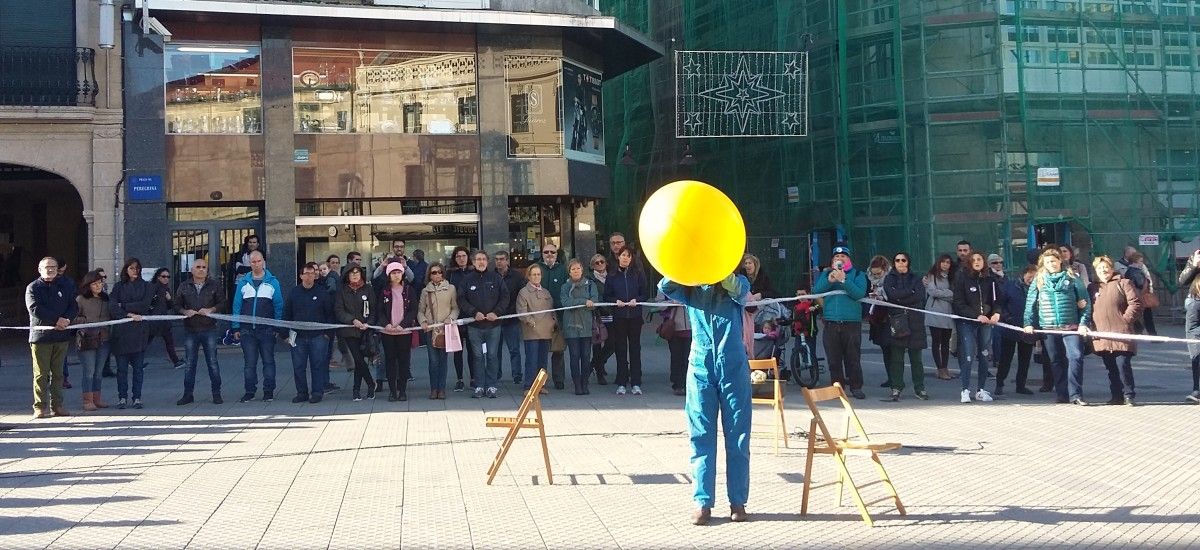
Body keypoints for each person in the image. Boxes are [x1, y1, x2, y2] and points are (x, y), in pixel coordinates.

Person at [659, 272, 753, 526]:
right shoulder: (691, 286)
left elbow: (740, 292)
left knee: (738, 435)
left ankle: (738, 501)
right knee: (701, 435)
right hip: (701, 366)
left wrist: (721, 270)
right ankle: (702, 502)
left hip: (733, 365)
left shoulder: (737, 281)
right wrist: (685, 266)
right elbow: (666, 285)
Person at [1023, 248, 1091, 405]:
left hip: (1071, 326)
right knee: (1056, 360)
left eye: (1053, 261)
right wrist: (1028, 323)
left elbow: (1085, 302)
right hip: (1049, 327)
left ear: (1060, 261)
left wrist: (1083, 323)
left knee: (1075, 357)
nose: (1051, 264)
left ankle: (1076, 394)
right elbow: (1030, 303)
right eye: (1047, 262)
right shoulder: (1039, 279)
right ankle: (1062, 394)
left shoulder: (1072, 277)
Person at [813, 244, 868, 399]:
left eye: (843, 256)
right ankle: (837, 388)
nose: (839, 259)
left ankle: (856, 387)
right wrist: (829, 280)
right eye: (836, 257)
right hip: (831, 322)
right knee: (834, 359)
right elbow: (816, 291)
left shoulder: (858, 274)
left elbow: (858, 294)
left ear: (848, 259)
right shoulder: (826, 275)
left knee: (853, 358)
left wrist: (844, 280)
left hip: (851, 323)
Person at [27, 256, 79, 418]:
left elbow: (73, 305)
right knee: (41, 374)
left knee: (58, 374)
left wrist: (67, 320)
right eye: (46, 267)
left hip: (61, 336)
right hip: (41, 338)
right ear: (39, 269)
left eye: (53, 267)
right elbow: (35, 308)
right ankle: (40, 407)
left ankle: (57, 405)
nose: (50, 270)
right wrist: (56, 320)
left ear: (58, 270)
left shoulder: (66, 285)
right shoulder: (33, 288)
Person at [231, 250, 284, 403]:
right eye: (253, 262)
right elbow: (237, 305)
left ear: (263, 262)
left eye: (258, 261)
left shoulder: (273, 282)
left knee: (268, 361)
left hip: (267, 330)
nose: (256, 264)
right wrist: (235, 327)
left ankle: (268, 391)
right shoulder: (243, 282)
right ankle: (250, 391)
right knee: (249, 363)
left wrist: (277, 326)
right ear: (249, 263)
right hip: (247, 330)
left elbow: (278, 305)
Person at [1089, 256, 1142, 406]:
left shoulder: (1124, 283)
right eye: (1100, 268)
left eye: (1106, 267)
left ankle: (1129, 395)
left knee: (1123, 365)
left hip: (1122, 333)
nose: (1103, 270)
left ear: (1112, 268)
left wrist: (1125, 320)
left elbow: (1136, 304)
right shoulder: (1092, 287)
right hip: (1102, 335)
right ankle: (1116, 396)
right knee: (1111, 368)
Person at [458, 250, 510, 399]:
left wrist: (497, 312)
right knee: (477, 356)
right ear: (473, 262)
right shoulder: (467, 280)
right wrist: (473, 312)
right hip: (475, 326)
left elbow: (505, 297)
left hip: (493, 326)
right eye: (478, 259)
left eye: (483, 259)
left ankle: (492, 386)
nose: (481, 262)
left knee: (493, 356)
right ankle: (479, 385)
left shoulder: (496, 278)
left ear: (488, 262)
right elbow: (461, 299)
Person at [175, 258, 226, 405]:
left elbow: (222, 302)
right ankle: (188, 395)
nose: (201, 269)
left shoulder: (214, 285)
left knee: (213, 363)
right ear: (192, 269)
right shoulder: (184, 286)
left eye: (204, 267)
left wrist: (211, 310)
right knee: (190, 364)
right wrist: (185, 311)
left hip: (209, 329)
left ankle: (217, 394)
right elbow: (176, 304)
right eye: (198, 267)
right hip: (190, 329)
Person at [953, 251, 1001, 404]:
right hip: (967, 322)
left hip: (986, 323)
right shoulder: (962, 278)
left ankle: (980, 390)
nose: (977, 261)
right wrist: (976, 316)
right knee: (968, 355)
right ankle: (965, 390)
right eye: (973, 259)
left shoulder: (991, 280)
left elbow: (997, 301)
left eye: (980, 259)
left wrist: (996, 314)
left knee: (984, 354)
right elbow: (958, 303)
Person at [285, 262, 335, 404]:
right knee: (298, 366)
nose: (309, 276)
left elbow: (330, 314)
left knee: (318, 365)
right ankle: (302, 393)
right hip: (298, 337)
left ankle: (317, 393)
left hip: (318, 336)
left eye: (312, 273)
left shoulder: (322, 292)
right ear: (301, 276)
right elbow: (286, 313)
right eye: (306, 273)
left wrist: (327, 334)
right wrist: (284, 335)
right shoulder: (294, 292)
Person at [604, 246, 650, 395]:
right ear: (618, 257)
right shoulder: (611, 275)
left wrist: (637, 300)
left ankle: (636, 382)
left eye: (628, 256)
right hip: (619, 317)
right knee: (621, 349)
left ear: (631, 259)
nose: (625, 258)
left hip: (635, 317)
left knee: (635, 349)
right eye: (623, 255)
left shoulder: (637, 274)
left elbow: (645, 294)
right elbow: (606, 296)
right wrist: (615, 301)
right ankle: (621, 382)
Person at [881, 252, 927, 401]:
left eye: (903, 260)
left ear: (908, 262)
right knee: (897, 358)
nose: (900, 262)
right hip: (897, 320)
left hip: (915, 321)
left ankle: (919, 388)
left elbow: (919, 295)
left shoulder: (916, 278)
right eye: (897, 260)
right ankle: (896, 387)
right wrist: (908, 293)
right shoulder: (889, 278)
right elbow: (891, 295)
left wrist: (901, 296)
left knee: (916, 358)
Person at [109, 258, 153, 409]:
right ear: (126, 270)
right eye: (131, 268)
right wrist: (128, 314)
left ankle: (137, 397)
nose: (135, 271)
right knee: (121, 369)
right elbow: (113, 307)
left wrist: (124, 306)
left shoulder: (146, 286)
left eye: (137, 268)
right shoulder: (118, 287)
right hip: (121, 334)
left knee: (138, 369)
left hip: (139, 332)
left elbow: (145, 305)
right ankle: (122, 397)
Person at [336, 265, 378, 401]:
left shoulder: (368, 289)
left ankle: (357, 389)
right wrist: (352, 320)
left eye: (357, 272)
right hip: (349, 330)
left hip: (365, 331)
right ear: (347, 275)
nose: (355, 275)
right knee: (358, 359)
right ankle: (370, 383)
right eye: (352, 273)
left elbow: (373, 309)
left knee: (360, 361)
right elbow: (339, 310)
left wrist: (368, 323)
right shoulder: (342, 291)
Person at [995, 265, 1038, 396]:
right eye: (1030, 276)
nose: (1031, 280)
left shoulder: (1037, 288)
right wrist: (1007, 317)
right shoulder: (1010, 286)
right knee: (1005, 358)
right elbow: (1001, 304)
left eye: (1034, 277)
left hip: (1028, 329)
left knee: (1025, 359)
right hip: (1011, 327)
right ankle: (999, 383)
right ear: (1024, 274)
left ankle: (1021, 385)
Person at [418, 262, 457, 399]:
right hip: (430, 330)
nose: (437, 275)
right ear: (429, 275)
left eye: (439, 272)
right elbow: (421, 310)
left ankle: (442, 388)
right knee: (433, 360)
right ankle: (433, 388)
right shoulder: (425, 291)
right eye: (434, 272)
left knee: (443, 360)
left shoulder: (451, 288)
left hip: (445, 329)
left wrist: (451, 318)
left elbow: (455, 308)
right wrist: (423, 321)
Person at [378, 262, 417, 401]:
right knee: (390, 361)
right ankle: (392, 391)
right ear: (389, 275)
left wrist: (404, 324)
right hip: (388, 332)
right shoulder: (384, 290)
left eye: (398, 272)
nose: (396, 275)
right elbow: (380, 311)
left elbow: (413, 310)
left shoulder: (408, 289)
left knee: (404, 361)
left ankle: (402, 390)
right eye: (393, 273)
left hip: (404, 332)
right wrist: (386, 324)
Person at [560, 259, 598, 395]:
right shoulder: (565, 286)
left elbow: (595, 300)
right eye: (573, 269)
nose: (576, 271)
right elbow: (565, 302)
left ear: (582, 270)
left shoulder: (590, 284)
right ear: (569, 272)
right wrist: (583, 301)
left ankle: (585, 383)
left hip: (586, 325)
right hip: (571, 326)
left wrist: (589, 302)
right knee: (574, 355)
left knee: (586, 355)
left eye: (578, 268)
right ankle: (577, 385)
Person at [74, 270, 111, 411]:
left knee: (98, 371)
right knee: (89, 371)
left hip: (104, 339)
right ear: (88, 285)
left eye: (100, 283)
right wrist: (86, 321)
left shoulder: (106, 299)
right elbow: (72, 318)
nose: (98, 286)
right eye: (94, 284)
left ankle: (97, 398)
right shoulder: (81, 299)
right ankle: (87, 400)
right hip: (87, 339)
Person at [516, 264, 555, 394]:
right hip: (531, 331)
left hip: (546, 331)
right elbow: (521, 311)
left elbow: (552, 310)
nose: (536, 277)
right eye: (534, 274)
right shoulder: (524, 292)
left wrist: (553, 322)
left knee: (543, 360)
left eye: (538, 274)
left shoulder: (546, 292)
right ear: (529, 276)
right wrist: (531, 322)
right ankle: (528, 386)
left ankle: (540, 385)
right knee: (531, 360)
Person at [537, 243, 569, 390]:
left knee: (558, 349)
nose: (549, 254)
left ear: (557, 254)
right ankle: (539, 381)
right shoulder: (536, 269)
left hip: (559, 315)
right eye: (546, 252)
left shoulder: (563, 270)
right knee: (540, 350)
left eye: (552, 252)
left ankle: (559, 379)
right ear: (542, 254)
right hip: (540, 316)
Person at [495, 250, 527, 385]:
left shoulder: (517, 276)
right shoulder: (491, 275)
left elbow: (522, 295)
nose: (499, 262)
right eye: (496, 259)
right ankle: (496, 374)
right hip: (495, 319)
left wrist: (515, 311)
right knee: (495, 350)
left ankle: (517, 375)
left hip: (511, 318)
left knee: (514, 349)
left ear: (507, 261)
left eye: (502, 259)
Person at [923, 254, 955, 380]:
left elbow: (956, 294)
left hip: (948, 313)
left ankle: (945, 368)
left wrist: (946, 294)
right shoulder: (931, 276)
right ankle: (939, 368)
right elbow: (932, 292)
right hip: (935, 312)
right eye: (943, 262)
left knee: (946, 342)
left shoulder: (952, 277)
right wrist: (949, 293)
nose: (945, 264)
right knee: (937, 342)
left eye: (948, 262)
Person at [446, 246, 474, 391]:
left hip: (471, 316)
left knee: (472, 349)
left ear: (468, 257)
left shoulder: (473, 272)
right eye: (458, 256)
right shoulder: (451, 274)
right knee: (457, 350)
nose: (461, 259)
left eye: (463, 256)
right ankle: (459, 379)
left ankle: (474, 378)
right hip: (456, 316)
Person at [147, 267, 185, 369]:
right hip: (155, 320)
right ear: (158, 277)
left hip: (162, 320)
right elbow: (148, 303)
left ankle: (176, 361)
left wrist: (169, 299)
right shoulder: (153, 287)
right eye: (163, 276)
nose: (166, 279)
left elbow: (169, 306)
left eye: (168, 277)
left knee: (168, 341)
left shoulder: (166, 288)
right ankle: (134, 360)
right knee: (146, 341)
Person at [865, 255, 893, 388]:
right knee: (884, 348)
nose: (876, 276)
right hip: (876, 316)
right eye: (874, 273)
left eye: (879, 273)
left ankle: (895, 378)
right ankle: (890, 377)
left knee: (892, 349)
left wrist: (882, 295)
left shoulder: (891, 277)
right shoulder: (868, 278)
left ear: (885, 269)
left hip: (890, 316)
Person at [588, 253, 612, 385]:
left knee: (612, 343)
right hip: (597, 315)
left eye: (602, 262)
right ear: (592, 266)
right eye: (596, 263)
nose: (600, 264)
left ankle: (595, 363)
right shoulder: (590, 279)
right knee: (597, 344)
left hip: (612, 314)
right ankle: (599, 372)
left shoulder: (612, 277)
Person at [1127, 251, 1156, 336]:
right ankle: (1152, 334)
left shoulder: (1129, 271)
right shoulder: (1136, 271)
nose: (1142, 264)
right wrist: (1146, 280)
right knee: (1147, 316)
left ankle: (1138, 330)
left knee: (1138, 315)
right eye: (1140, 261)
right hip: (1140, 295)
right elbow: (1140, 283)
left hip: (1135, 295)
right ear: (1134, 262)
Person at [1186, 276, 1200, 404]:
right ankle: (1197, 391)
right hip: (1196, 338)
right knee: (1197, 363)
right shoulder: (1194, 303)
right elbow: (1193, 325)